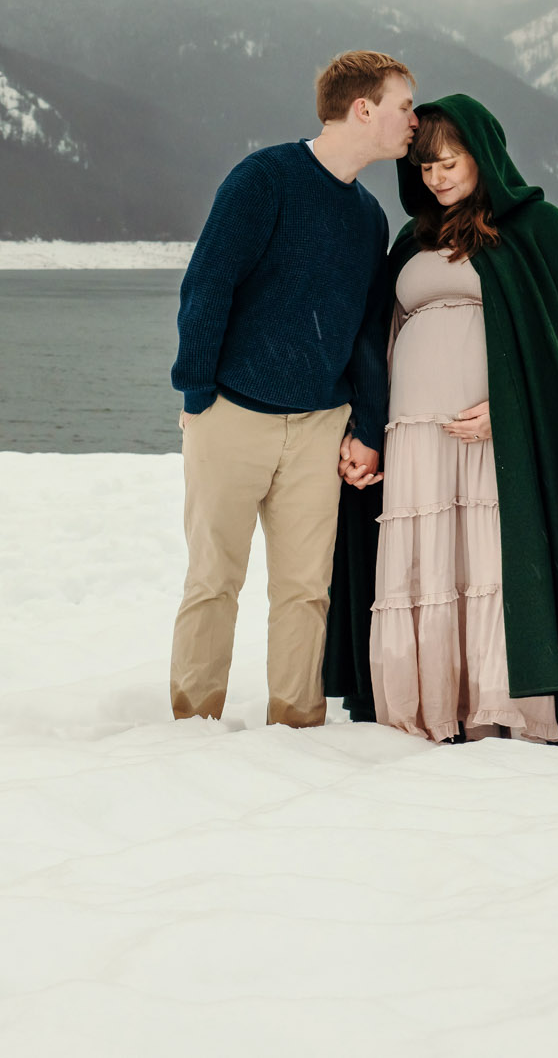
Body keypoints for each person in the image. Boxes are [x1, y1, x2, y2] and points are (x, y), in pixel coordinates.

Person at [324, 94, 558, 741]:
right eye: (426, 167)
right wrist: (366, 425)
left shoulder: (540, 232)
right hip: (417, 435)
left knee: (492, 564)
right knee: (427, 563)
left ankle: (498, 708)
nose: (438, 176)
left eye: (450, 162)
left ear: (484, 155)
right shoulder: (411, 239)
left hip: (495, 439)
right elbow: (375, 339)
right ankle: (431, 703)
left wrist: (513, 408)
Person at [167, 50, 417, 727]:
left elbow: (367, 334)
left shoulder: (369, 218)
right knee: (214, 581)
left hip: (317, 427)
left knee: (306, 589)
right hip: (231, 413)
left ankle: (297, 725)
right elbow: (209, 284)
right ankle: (192, 723)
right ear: (363, 108)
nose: (413, 122)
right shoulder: (264, 180)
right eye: (405, 105)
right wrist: (197, 394)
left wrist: (366, 424)